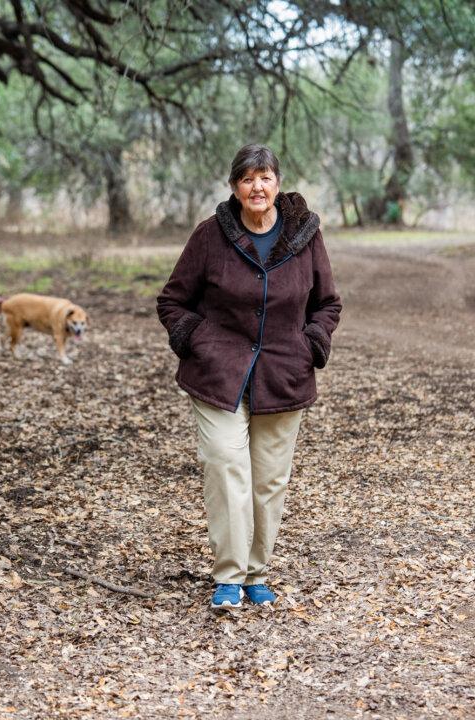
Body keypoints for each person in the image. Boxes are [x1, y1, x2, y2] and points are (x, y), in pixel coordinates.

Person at [156, 144, 342, 609]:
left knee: (269, 480)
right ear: (234, 187)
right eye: (247, 179)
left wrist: (310, 344)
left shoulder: (305, 236)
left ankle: (256, 572)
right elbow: (172, 300)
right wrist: (198, 341)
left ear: (278, 183)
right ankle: (229, 576)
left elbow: (327, 304)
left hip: (283, 374)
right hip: (219, 374)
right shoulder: (209, 237)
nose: (257, 187)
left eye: (265, 178)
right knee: (225, 464)